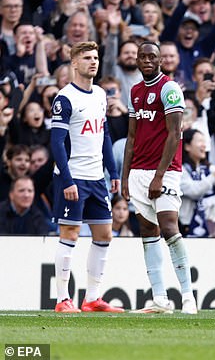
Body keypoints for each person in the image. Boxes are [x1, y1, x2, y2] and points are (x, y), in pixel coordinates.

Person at [121, 41, 197, 315]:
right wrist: (125, 177)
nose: (147, 60)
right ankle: (160, 298)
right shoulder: (135, 91)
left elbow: (174, 133)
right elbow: (131, 137)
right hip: (139, 171)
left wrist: (159, 176)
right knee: (148, 232)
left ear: (160, 61)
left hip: (165, 171)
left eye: (152, 56)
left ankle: (188, 296)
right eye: (142, 56)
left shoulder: (170, 88)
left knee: (168, 227)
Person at [50, 41, 123, 313]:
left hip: (96, 178)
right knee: (70, 233)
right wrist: (67, 180)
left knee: (104, 234)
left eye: (95, 58)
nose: (93, 62)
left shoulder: (100, 95)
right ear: (74, 63)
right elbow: (56, 142)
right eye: (87, 58)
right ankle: (62, 300)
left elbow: (103, 135)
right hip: (74, 176)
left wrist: (112, 171)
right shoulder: (65, 97)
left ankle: (92, 298)